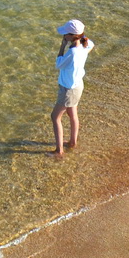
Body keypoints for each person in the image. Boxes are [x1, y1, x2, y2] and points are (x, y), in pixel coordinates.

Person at [51, 19, 93, 157]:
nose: (64, 37)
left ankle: (59, 151)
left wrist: (62, 46)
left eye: (65, 35)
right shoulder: (85, 45)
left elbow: (58, 64)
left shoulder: (72, 53)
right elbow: (91, 44)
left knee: (55, 117)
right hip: (78, 86)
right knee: (72, 114)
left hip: (68, 89)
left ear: (71, 36)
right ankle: (72, 142)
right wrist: (81, 38)